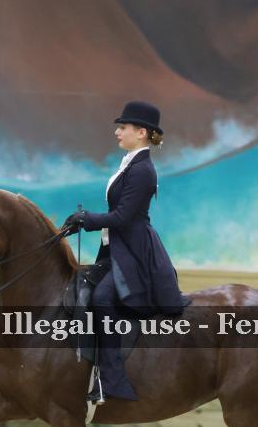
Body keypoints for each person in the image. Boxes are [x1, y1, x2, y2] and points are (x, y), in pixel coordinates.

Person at [63, 100, 188, 406]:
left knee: (103, 298)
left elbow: (123, 217)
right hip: (117, 249)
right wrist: (83, 221)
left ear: (141, 132)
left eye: (123, 127)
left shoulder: (143, 170)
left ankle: (111, 382)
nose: (117, 132)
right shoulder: (130, 164)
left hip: (134, 251)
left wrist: (87, 219)